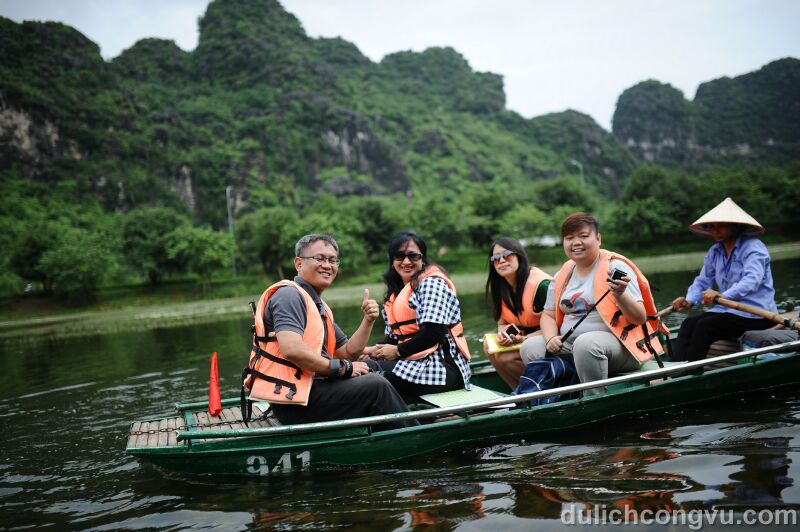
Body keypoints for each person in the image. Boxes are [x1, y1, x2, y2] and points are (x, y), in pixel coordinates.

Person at [242, 234, 417, 431]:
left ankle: (394, 426)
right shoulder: (289, 295)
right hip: (296, 403)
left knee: (372, 367)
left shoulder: (317, 306)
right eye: (320, 258)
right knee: (376, 385)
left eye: (332, 260)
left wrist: (368, 321)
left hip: (312, 391)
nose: (327, 265)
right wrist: (343, 368)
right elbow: (291, 349)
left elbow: (348, 352)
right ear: (299, 263)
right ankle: (415, 435)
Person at [519, 212, 665, 396]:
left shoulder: (616, 268)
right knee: (530, 347)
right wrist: (550, 339)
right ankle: (555, 398)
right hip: (572, 346)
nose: (576, 242)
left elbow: (638, 317)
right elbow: (548, 315)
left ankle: (593, 399)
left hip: (622, 348)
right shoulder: (562, 274)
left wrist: (620, 294)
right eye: (569, 238)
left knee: (586, 344)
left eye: (583, 236)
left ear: (598, 238)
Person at [366, 231, 472, 398]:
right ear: (392, 261)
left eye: (413, 256)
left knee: (367, 373)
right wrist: (373, 350)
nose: (406, 262)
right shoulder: (396, 293)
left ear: (422, 260)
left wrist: (398, 351)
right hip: (413, 362)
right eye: (400, 256)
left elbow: (434, 332)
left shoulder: (431, 284)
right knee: (362, 364)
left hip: (442, 369)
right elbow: (395, 337)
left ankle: (402, 421)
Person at [671, 197, 777, 361]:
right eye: (711, 226)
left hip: (757, 315)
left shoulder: (754, 247)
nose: (715, 230)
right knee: (688, 324)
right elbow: (703, 280)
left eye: (720, 226)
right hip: (728, 311)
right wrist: (689, 301)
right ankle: (674, 372)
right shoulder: (715, 251)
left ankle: (691, 372)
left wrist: (722, 296)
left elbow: (752, 281)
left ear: (736, 226)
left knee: (705, 326)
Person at [482, 237, 552, 389]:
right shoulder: (501, 286)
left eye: (507, 254)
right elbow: (502, 323)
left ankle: (539, 390)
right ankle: (520, 394)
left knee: (506, 358)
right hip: (522, 339)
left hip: (549, 337)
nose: (501, 261)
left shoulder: (542, 286)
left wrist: (524, 338)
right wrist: (503, 335)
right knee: (489, 346)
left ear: (519, 255)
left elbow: (558, 322)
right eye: (495, 258)